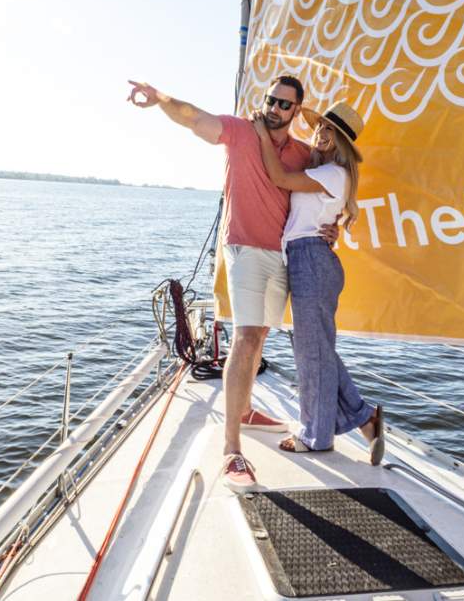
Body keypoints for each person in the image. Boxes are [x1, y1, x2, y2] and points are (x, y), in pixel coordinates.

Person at [126, 75, 338, 492]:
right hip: (242, 249)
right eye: (272, 101)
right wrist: (159, 99)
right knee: (244, 338)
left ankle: (241, 411)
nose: (275, 109)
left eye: (284, 105)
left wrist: (337, 230)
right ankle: (231, 448)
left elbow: (330, 192)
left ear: (296, 111)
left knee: (259, 337)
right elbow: (194, 119)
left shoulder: (302, 154)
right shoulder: (241, 131)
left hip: (281, 253)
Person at [251, 101, 384, 462]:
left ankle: (316, 436)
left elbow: (278, 177)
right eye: (321, 127)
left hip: (311, 258)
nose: (321, 135)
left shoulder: (335, 173)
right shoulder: (325, 171)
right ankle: (363, 418)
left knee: (311, 353)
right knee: (316, 349)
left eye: (331, 132)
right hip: (307, 257)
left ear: (341, 142)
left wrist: (262, 133)